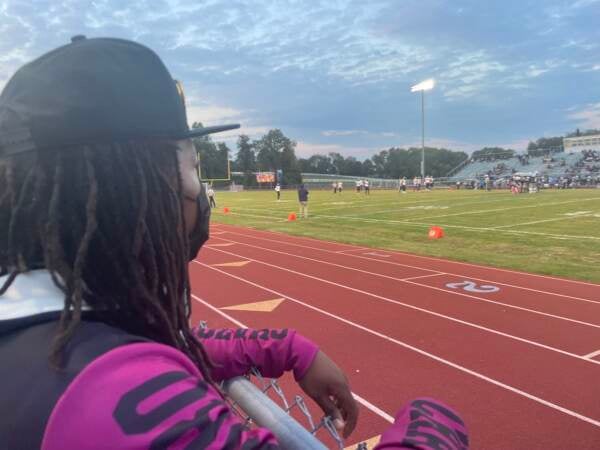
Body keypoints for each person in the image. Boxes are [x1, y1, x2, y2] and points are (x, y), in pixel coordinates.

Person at [0, 37, 468, 450]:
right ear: (136, 187)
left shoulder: (43, 325)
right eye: (190, 169)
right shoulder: (108, 393)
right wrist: (435, 425)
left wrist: (286, 346)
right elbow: (123, 383)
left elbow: (168, 342)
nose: (198, 195)